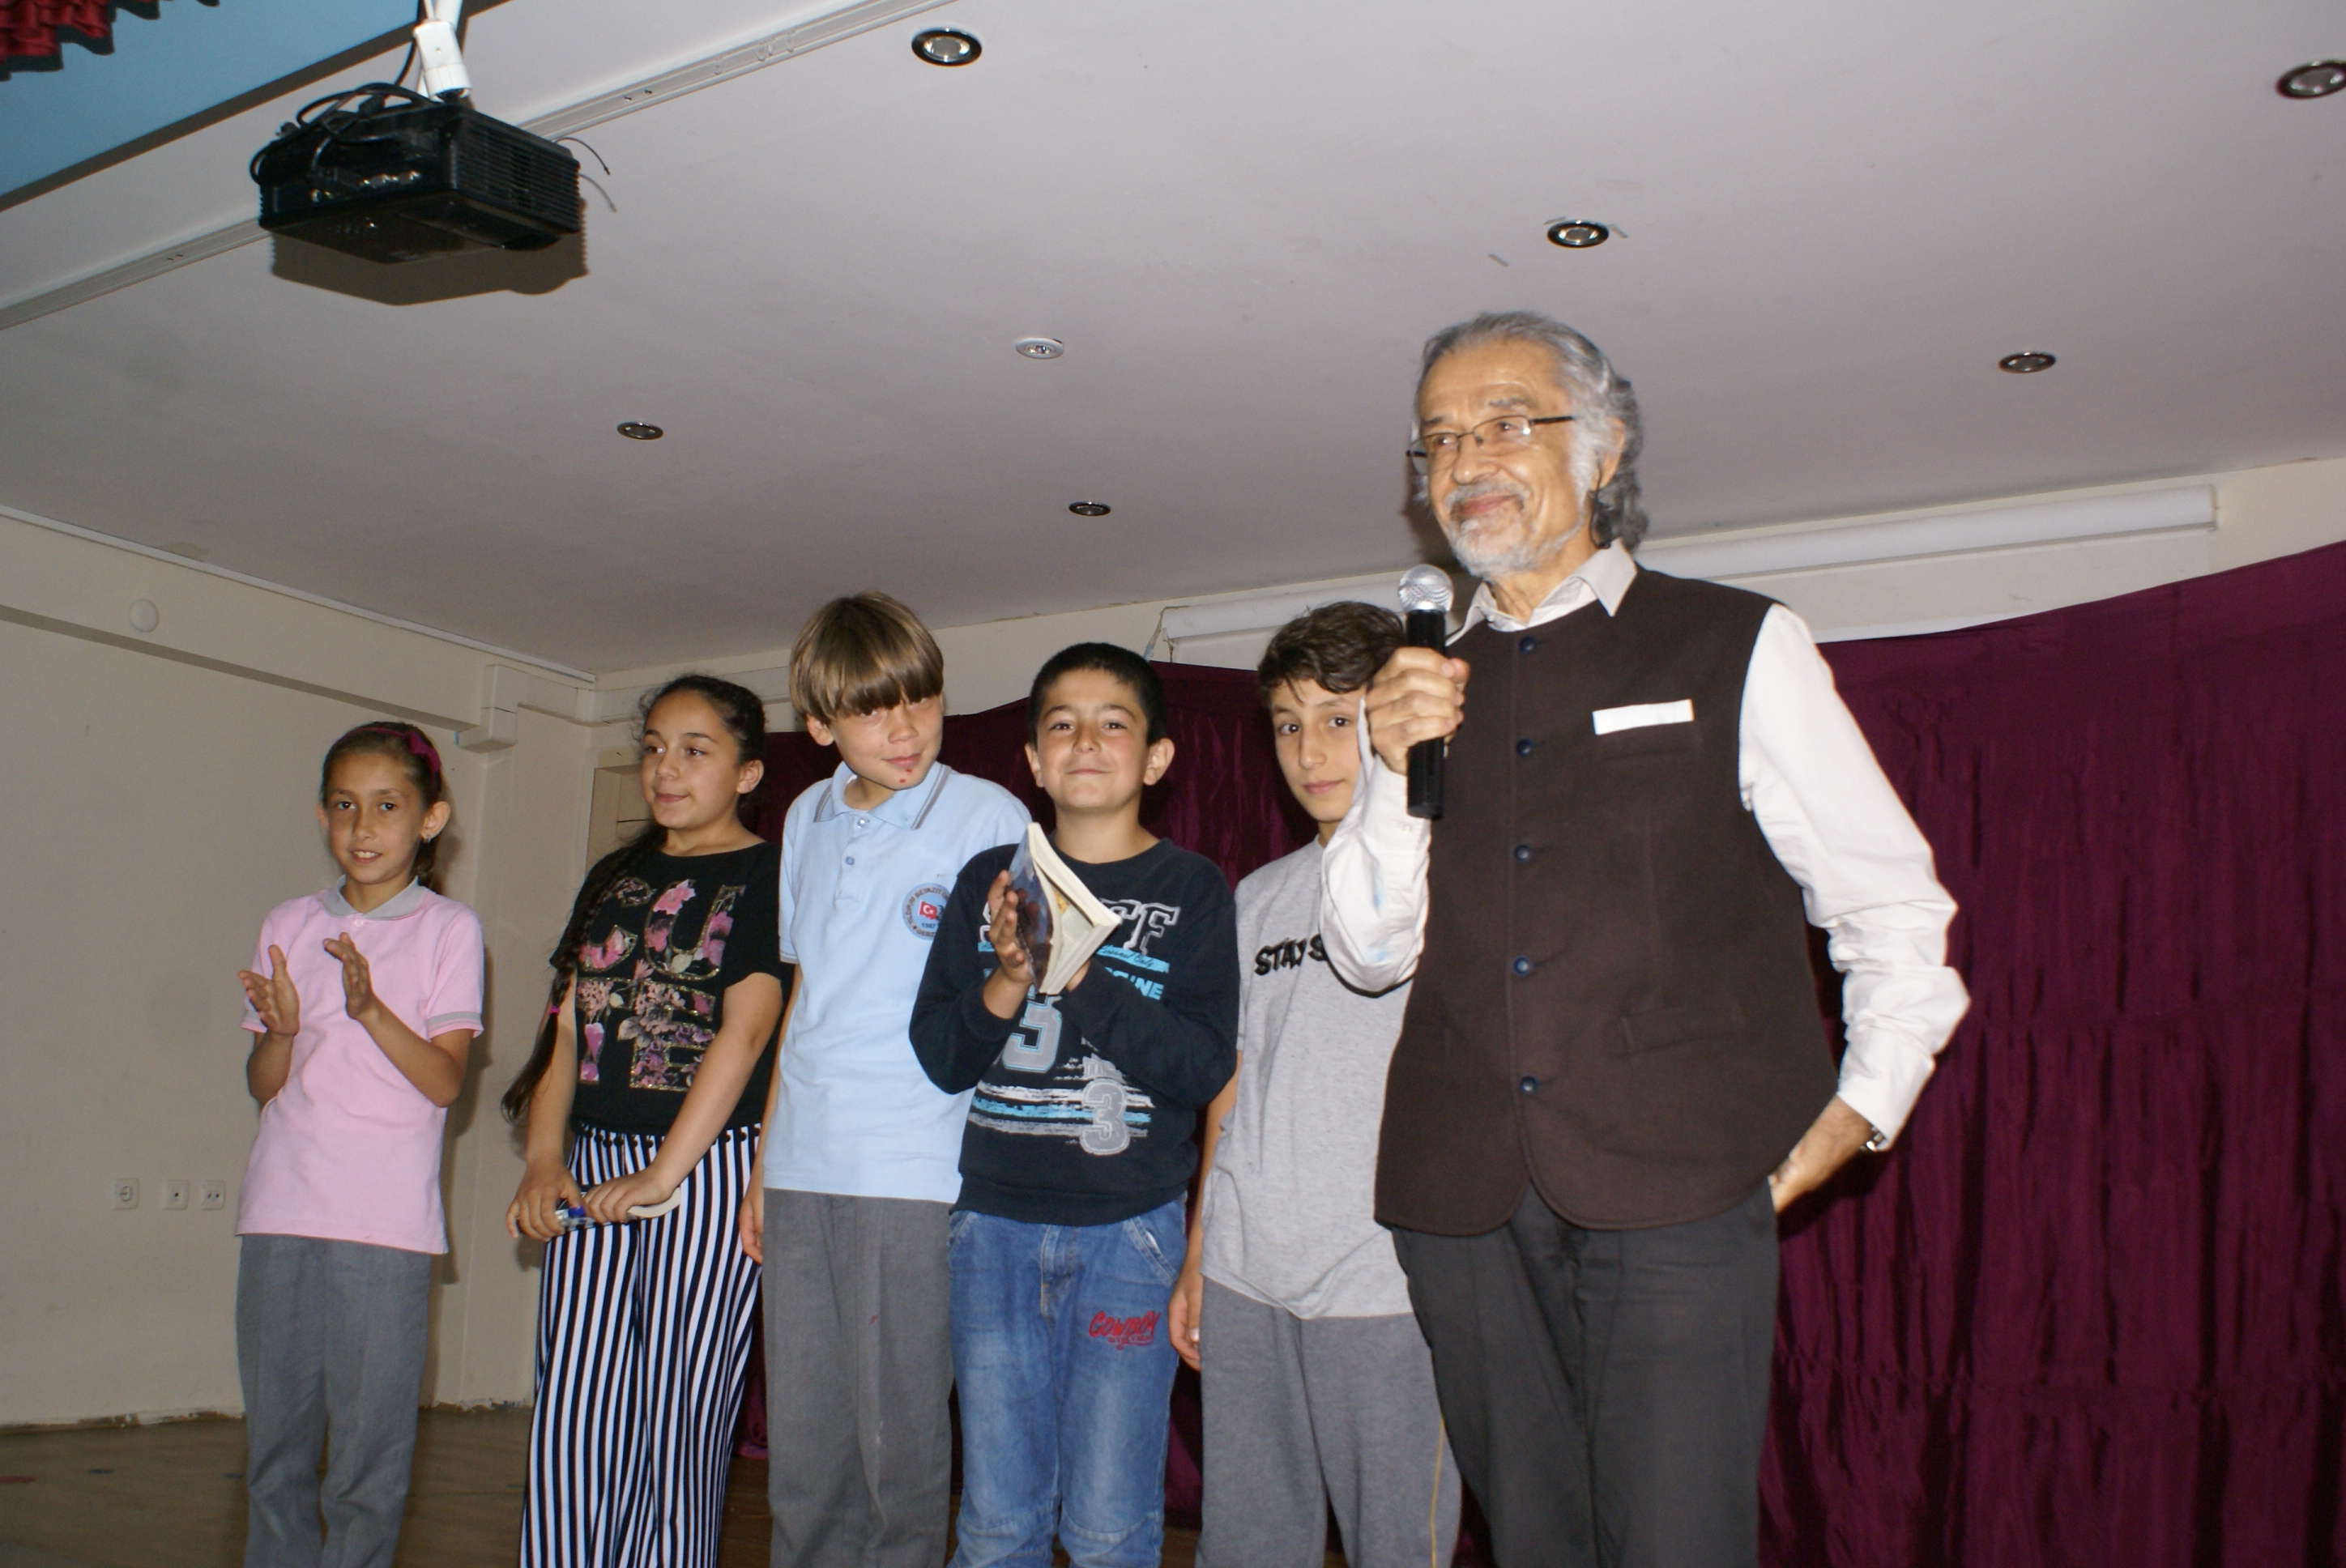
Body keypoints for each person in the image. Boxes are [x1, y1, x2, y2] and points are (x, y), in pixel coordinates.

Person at [1320, 310, 1970, 1568]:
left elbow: (1890, 907)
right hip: (1460, 1200)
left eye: (1506, 422)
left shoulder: (1737, 642)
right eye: (1439, 439)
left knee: (1677, 1541)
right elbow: (1365, 952)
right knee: (1535, 1543)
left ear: (1605, 450)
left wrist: (1858, 1115)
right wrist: (1394, 766)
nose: (1467, 459)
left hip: (1683, 1190)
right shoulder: (1411, 689)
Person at [910, 643, 1239, 1568]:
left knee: (1107, 1524)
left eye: (1112, 723)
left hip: (1130, 1231)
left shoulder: (1192, 888)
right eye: (1061, 723)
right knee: (996, 1520)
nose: (1085, 740)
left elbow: (1203, 1067)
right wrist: (1011, 978)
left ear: (1157, 758)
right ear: (1033, 758)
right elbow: (941, 1057)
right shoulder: (989, 879)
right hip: (990, 1228)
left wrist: (1079, 974)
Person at [1175, 603, 1463, 1568]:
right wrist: (1200, 1251)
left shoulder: (1453, 877)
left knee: (1399, 1546)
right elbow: (1231, 1084)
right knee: (1245, 1547)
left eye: (1338, 718)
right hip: (1247, 1272)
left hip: (1387, 1285)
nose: (1309, 751)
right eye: (1287, 724)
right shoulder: (1258, 895)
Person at [748, 593, 1029, 1568]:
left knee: (897, 1448)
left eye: (920, 699)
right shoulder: (804, 816)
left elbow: (1016, 994)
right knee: (805, 1449)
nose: (904, 728)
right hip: (800, 1164)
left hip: (915, 1164)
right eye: (872, 710)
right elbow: (805, 996)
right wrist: (763, 1165)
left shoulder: (988, 813)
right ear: (820, 724)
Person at [504, 674, 787, 1568]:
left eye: (695, 750)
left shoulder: (770, 875)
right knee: (574, 1405)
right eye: (655, 747)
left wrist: (666, 1172)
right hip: (593, 1163)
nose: (666, 769)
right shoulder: (614, 877)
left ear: (747, 772)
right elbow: (567, 1025)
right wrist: (544, 1156)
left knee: (678, 1414)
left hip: (705, 1169)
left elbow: (747, 1032)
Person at [234, 721, 483, 1568]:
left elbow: (445, 1082)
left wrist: (370, 1009)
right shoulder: (289, 921)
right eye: (345, 805)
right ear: (322, 815)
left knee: (367, 1465)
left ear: (430, 818)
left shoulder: (450, 929)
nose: (363, 826)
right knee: (275, 1450)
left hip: (385, 1225)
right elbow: (264, 1084)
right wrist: (282, 1032)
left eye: (387, 805)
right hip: (280, 1211)